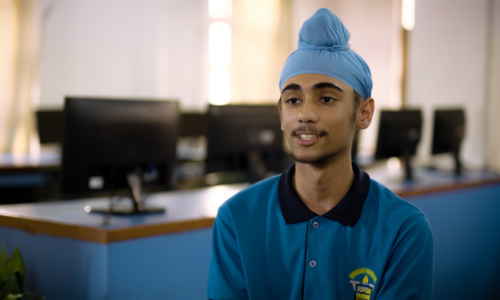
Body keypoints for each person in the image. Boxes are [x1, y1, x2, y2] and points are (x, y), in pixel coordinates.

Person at [207, 8, 433, 300]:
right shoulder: (236, 219)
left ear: (363, 113)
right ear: (280, 114)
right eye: (293, 100)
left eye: (326, 98)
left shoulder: (404, 230)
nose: (305, 114)